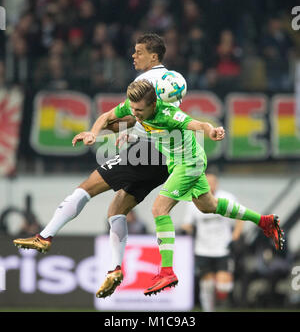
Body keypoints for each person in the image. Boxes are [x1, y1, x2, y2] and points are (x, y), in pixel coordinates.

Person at [13, 33, 180, 297]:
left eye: (139, 52)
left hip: (147, 150)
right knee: (116, 210)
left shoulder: (144, 82)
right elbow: (158, 119)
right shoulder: (174, 80)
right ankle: (115, 269)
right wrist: (128, 131)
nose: (133, 56)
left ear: (154, 56)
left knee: (86, 187)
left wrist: (97, 132)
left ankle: (44, 236)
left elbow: (116, 116)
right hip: (166, 157)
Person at [87, 79, 283, 296]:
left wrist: (211, 131)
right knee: (210, 206)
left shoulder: (169, 114)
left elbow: (199, 125)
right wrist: (108, 134)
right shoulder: (134, 107)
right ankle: (265, 221)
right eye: (133, 109)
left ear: (153, 105)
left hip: (189, 163)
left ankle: (167, 272)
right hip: (178, 162)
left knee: (159, 209)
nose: (135, 114)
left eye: (139, 110)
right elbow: (113, 119)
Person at [181, 172, 244, 312]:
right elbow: (188, 224)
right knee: (207, 285)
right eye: (207, 182)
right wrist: (184, 230)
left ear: (217, 184)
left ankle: (222, 295)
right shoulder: (193, 201)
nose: (210, 185)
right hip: (203, 249)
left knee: (223, 287)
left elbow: (241, 217)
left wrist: (235, 237)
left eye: (212, 182)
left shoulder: (227, 198)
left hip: (223, 248)